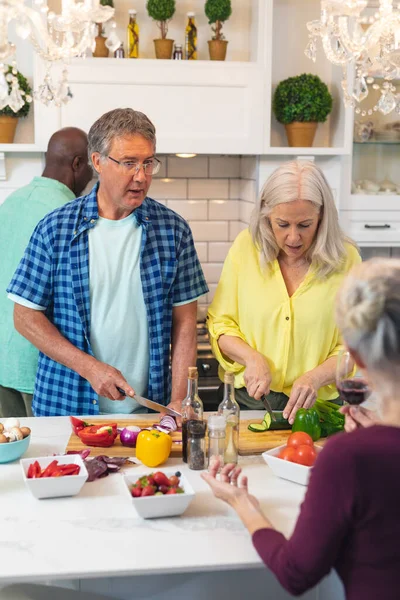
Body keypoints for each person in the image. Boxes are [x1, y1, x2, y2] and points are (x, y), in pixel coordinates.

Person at [203, 258, 400, 600]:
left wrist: (243, 503)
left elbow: (296, 573)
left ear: (354, 354)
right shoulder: (360, 451)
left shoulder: (349, 457)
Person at [7, 108, 208, 417]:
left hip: (146, 411)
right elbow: (24, 317)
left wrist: (180, 399)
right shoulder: (55, 228)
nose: (141, 176)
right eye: (128, 163)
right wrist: (90, 368)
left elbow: (184, 323)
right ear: (98, 162)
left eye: (148, 162)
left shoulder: (173, 231)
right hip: (66, 407)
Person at [207, 160, 360, 423]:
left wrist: (314, 378)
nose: (293, 238)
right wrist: (251, 358)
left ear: (322, 217)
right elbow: (221, 324)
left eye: (304, 225)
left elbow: (354, 346)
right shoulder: (247, 248)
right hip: (249, 403)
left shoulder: (347, 260)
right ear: (267, 216)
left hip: (320, 409)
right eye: (282, 224)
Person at [0, 127, 93, 418]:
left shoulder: (11, 202)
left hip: (3, 360)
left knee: (11, 457)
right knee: (46, 456)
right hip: (37, 365)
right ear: (78, 164)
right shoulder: (68, 215)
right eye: (92, 165)